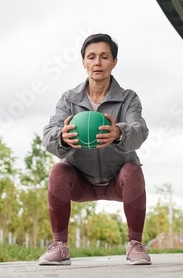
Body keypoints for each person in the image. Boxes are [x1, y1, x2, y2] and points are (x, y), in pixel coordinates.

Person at [38, 33, 151, 265]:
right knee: (58, 171)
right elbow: (48, 135)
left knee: (133, 170)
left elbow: (140, 131)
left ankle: (135, 244)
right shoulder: (68, 99)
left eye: (104, 56)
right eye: (91, 57)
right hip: (82, 182)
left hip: (117, 180)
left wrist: (119, 133)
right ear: (83, 62)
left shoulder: (128, 98)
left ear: (114, 61)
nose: (97, 62)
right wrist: (61, 136)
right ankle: (60, 245)